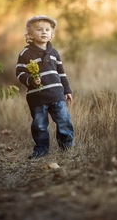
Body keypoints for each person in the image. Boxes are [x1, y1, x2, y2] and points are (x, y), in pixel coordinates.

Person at [16, 15, 74, 159]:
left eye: (47, 30)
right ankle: (41, 149)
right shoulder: (25, 53)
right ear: (30, 34)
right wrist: (30, 80)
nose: (44, 32)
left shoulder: (54, 53)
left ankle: (66, 146)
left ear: (51, 34)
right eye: (39, 29)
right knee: (40, 126)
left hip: (56, 94)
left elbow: (61, 72)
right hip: (37, 97)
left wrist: (67, 90)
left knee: (64, 121)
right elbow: (19, 73)